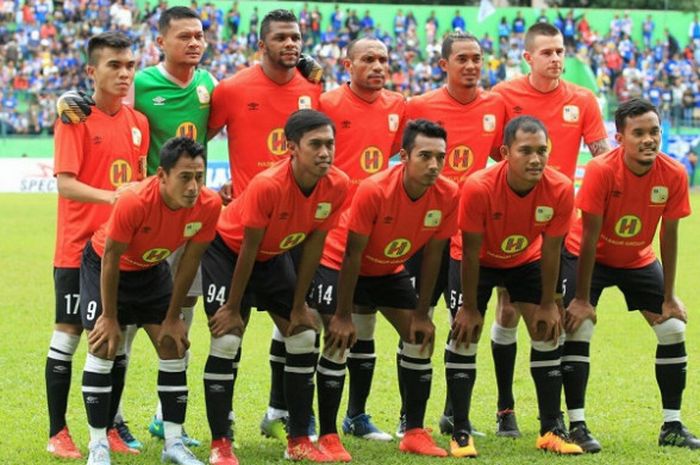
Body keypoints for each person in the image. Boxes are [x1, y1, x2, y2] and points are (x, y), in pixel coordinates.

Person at [201, 109, 349, 464]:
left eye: (329, 143)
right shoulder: (268, 184)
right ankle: (220, 443)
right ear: (292, 148)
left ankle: (298, 439)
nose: (325, 152)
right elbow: (247, 248)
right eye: (315, 145)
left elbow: (313, 245)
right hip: (229, 253)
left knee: (301, 334)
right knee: (226, 339)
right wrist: (234, 307)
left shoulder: (338, 184)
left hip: (273, 256)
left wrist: (299, 305)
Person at [207, 8, 324, 443]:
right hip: (243, 227)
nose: (291, 44)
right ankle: (223, 425)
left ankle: (284, 411)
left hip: (293, 228)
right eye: (281, 38)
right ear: (262, 45)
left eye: (296, 37)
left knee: (294, 323)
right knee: (229, 329)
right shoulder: (233, 89)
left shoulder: (312, 88)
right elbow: (197, 138)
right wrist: (206, 187)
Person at [314, 119, 459, 458]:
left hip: (387, 269)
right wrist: (343, 315)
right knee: (338, 340)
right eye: (425, 156)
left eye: (441, 156)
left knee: (420, 336)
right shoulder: (375, 189)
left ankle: (414, 432)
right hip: (339, 263)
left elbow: (434, 256)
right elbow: (353, 254)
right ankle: (328, 435)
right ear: (404, 156)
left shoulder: (448, 194)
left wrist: (422, 314)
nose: (434, 165)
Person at [491, 22, 608, 441]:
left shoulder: (583, 99)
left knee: (554, 314)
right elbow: (493, 155)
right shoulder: (504, 96)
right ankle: (505, 408)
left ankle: (556, 417)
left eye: (560, 51)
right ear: (528, 57)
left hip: (562, 223)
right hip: (513, 222)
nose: (556, 58)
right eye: (547, 52)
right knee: (505, 310)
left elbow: (601, 157)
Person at [561, 98, 699, 451]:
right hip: (588, 253)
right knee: (581, 325)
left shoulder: (673, 173)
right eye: (638, 133)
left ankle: (672, 426)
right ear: (620, 137)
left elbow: (669, 236)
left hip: (637, 257)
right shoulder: (601, 170)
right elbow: (589, 234)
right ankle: (577, 425)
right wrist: (580, 299)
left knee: (672, 328)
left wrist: (669, 297)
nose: (648, 139)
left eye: (654, 131)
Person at [78, 136, 221, 465]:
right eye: (185, 177)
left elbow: (189, 262)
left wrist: (173, 316)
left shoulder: (209, 205)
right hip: (105, 265)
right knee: (104, 344)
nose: (193, 186)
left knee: (173, 344)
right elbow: (111, 257)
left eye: (199, 176)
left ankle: (173, 442)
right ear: (162, 176)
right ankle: (98, 444)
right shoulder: (135, 200)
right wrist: (110, 317)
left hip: (151, 270)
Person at [448, 116, 580, 457]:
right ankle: (460, 429)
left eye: (542, 151)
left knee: (547, 330)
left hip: (525, 259)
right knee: (464, 333)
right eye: (526, 151)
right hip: (477, 259)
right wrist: (469, 307)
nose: (536, 159)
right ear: (506, 152)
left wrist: (551, 302)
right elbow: (472, 250)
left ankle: (551, 428)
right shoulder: (479, 186)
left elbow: (552, 250)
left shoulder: (561, 187)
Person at [46, 31, 148, 460]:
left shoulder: (138, 123)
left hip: (120, 249)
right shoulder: (75, 118)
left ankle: (109, 427)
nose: (124, 74)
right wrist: (114, 197)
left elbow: (140, 181)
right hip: (77, 248)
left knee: (117, 336)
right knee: (69, 335)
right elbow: (66, 184)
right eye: (114, 66)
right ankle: (58, 432)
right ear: (92, 71)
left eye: (129, 66)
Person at [402, 32, 505, 438]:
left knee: (465, 324)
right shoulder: (420, 106)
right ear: (444, 64)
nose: (471, 65)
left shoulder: (496, 105)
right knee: (415, 322)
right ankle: (409, 418)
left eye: (477, 58)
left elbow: (502, 158)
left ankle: (452, 414)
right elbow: (403, 162)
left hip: (469, 236)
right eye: (462, 58)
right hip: (424, 235)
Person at [316, 37, 405, 444]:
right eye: (367, 59)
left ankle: (357, 415)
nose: (377, 66)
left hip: (374, 235)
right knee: (315, 329)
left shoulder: (398, 107)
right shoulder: (329, 103)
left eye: (383, 59)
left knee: (364, 328)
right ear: (347, 64)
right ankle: (295, 414)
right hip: (329, 235)